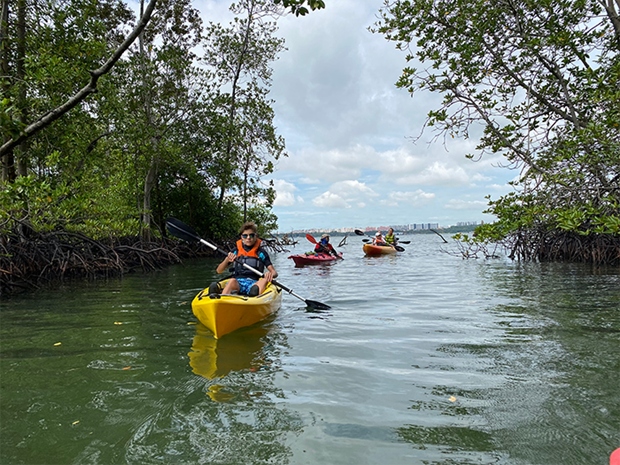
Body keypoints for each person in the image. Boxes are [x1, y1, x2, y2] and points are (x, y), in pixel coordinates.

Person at [209, 221, 277, 297]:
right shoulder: (235, 252)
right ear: (241, 237)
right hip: (238, 282)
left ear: (255, 236)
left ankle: (254, 296)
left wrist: (270, 274)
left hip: (254, 282)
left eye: (251, 235)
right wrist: (227, 260)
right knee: (232, 281)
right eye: (245, 236)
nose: (248, 238)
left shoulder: (261, 253)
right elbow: (219, 270)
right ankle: (223, 298)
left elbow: (274, 272)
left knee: (263, 280)